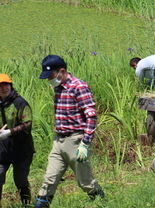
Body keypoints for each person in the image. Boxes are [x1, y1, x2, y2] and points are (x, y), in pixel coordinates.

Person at [35, 55, 105, 207]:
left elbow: (91, 116)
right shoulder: (58, 88)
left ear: (62, 71)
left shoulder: (79, 87)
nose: (50, 80)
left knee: (85, 182)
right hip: (58, 140)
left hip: (75, 140)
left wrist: (85, 143)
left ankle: (103, 202)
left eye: (52, 76)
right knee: (49, 179)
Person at [0, 74, 34, 207]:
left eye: (6, 85)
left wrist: (9, 132)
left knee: (20, 181)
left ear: (11, 86)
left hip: (22, 150)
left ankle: (26, 205)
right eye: (1, 86)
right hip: (2, 150)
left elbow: (27, 125)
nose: (4, 88)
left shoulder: (20, 103)